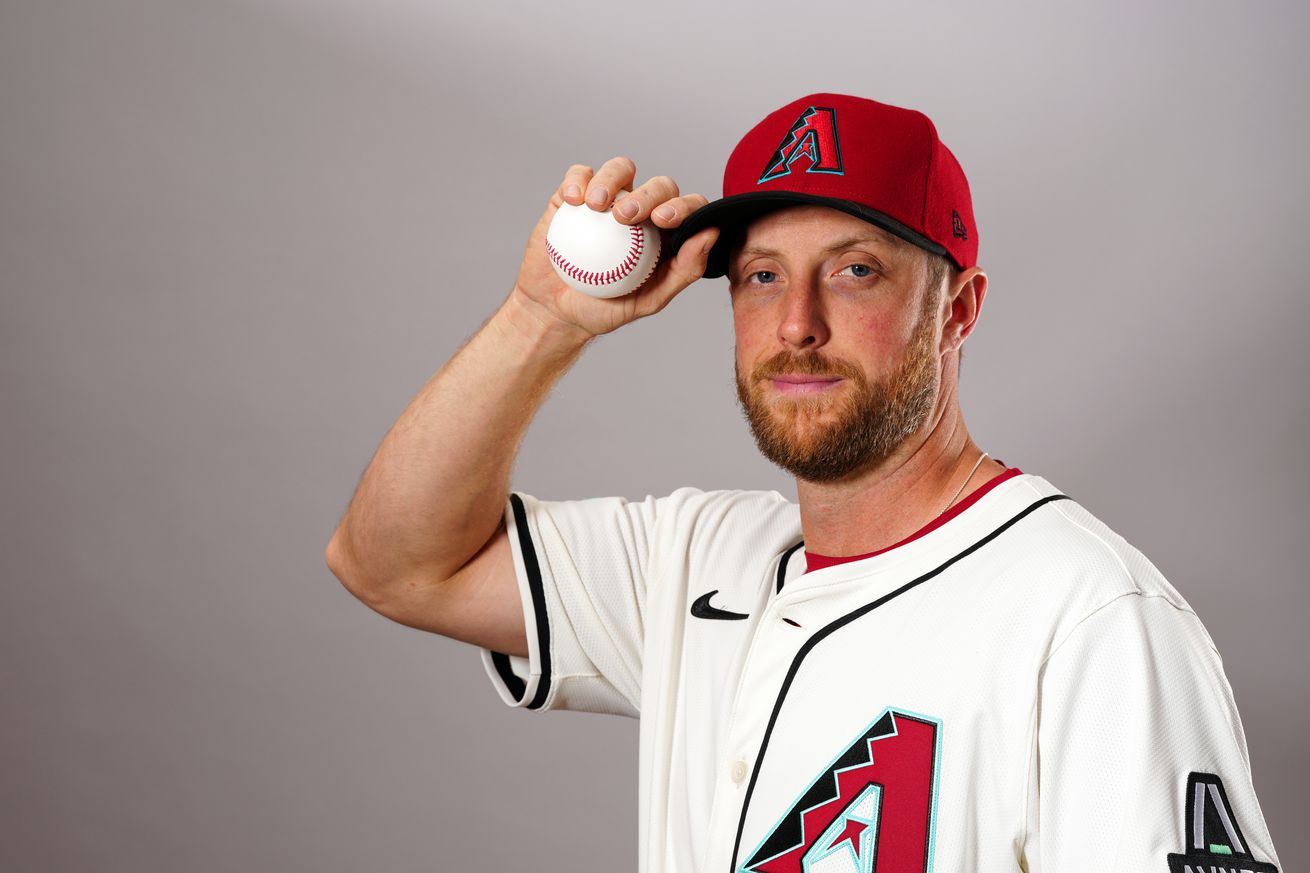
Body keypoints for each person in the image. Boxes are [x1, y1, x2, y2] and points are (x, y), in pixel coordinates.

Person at [325, 94, 1281, 873]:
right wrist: (544, 318)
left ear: (960, 307)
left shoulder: (1090, 617)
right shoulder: (693, 562)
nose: (796, 325)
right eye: (762, 276)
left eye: (855, 270)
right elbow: (398, 565)